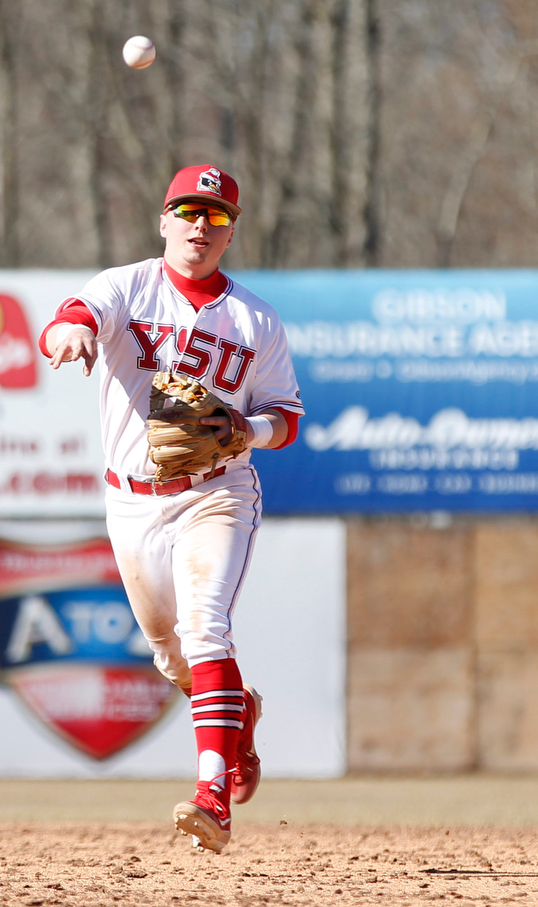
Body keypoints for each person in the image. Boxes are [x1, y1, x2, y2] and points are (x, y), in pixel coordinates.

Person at [39, 165, 304, 853]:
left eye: (215, 216)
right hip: (131, 504)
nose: (200, 225)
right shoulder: (127, 284)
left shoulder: (255, 318)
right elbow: (75, 315)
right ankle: (236, 713)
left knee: (205, 627)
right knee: (171, 658)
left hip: (217, 493)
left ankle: (212, 793)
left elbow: (287, 416)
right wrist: (68, 332)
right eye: (188, 210)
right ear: (164, 220)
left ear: (230, 231)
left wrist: (252, 431)